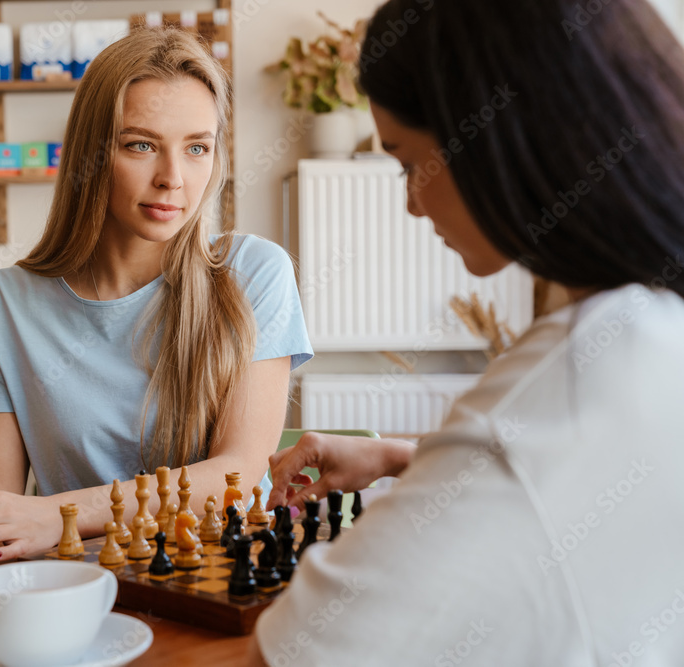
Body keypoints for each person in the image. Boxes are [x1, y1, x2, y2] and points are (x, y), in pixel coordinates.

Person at [251, 0, 684, 664]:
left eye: (404, 162)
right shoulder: (653, 320)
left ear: (490, 135)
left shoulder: (575, 371)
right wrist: (406, 456)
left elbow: (294, 652)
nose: (410, 202)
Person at [0, 27, 312, 560]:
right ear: (91, 154)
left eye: (196, 148)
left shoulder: (252, 272)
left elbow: (234, 472)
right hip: (77, 583)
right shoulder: (10, 302)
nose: (172, 177)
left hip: (218, 578)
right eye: (141, 145)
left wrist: (56, 513)